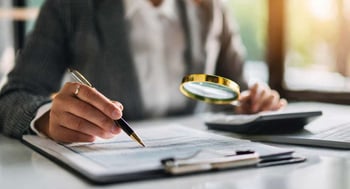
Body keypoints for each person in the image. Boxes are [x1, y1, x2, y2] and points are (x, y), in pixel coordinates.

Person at [0, 0, 286, 143]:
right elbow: (12, 98)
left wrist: (252, 101)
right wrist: (48, 117)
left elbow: (237, 86)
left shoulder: (211, 8)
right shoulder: (71, 6)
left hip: (200, 172)